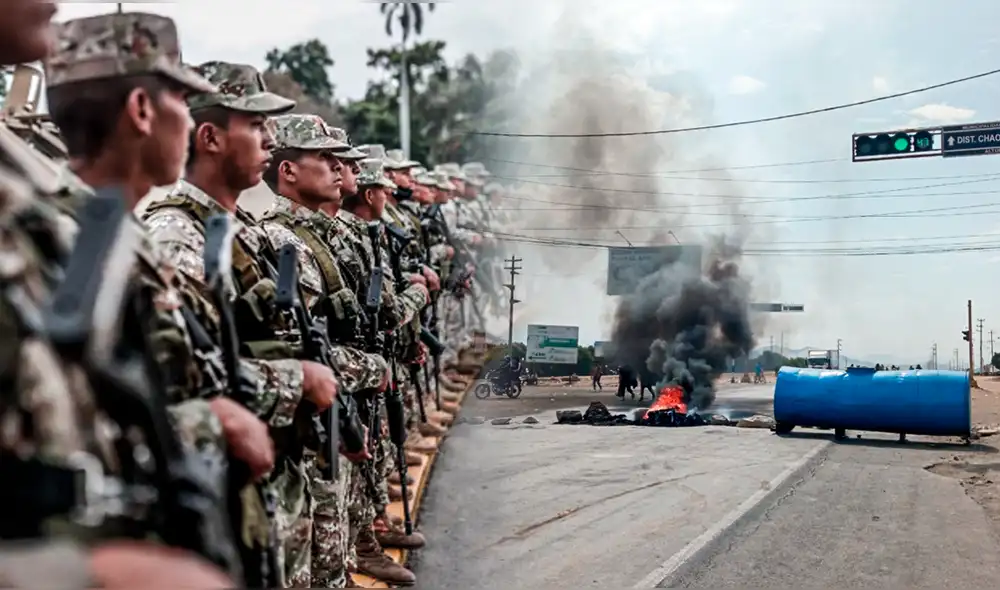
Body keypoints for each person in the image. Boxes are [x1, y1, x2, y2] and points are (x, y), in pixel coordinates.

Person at [140, 61, 343, 587]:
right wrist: (297, 381)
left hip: (275, 476)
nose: (270, 139)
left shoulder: (242, 232)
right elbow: (182, 384)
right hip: (230, 490)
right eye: (255, 125)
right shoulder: (177, 235)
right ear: (209, 137)